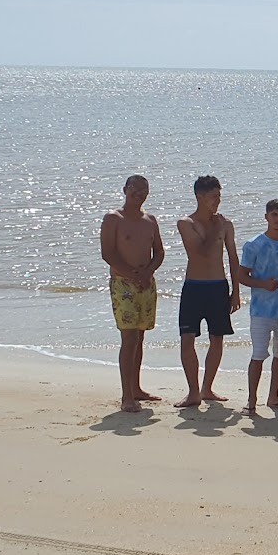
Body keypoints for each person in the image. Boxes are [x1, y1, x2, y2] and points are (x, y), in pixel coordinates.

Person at [174, 175, 241, 408]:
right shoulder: (186, 223)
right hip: (194, 287)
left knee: (217, 338)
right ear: (199, 197)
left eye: (219, 197)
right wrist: (216, 229)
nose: (217, 202)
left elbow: (233, 258)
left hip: (218, 286)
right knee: (187, 338)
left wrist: (236, 291)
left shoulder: (226, 224)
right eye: (213, 197)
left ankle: (207, 388)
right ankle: (193, 391)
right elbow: (199, 252)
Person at [99, 174, 164, 413]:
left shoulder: (150, 220)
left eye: (144, 189)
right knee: (128, 339)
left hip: (146, 283)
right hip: (123, 284)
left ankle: (136, 388)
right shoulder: (113, 218)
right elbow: (108, 253)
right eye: (135, 189)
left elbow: (158, 251)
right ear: (125, 190)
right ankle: (127, 395)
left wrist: (147, 273)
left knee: (140, 337)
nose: (139, 193)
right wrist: (132, 274)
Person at [239, 199, 278, 415]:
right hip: (261, 311)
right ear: (266, 217)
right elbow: (241, 276)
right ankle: (251, 400)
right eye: (274, 215)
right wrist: (263, 284)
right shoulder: (253, 244)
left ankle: (274, 396)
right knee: (258, 355)